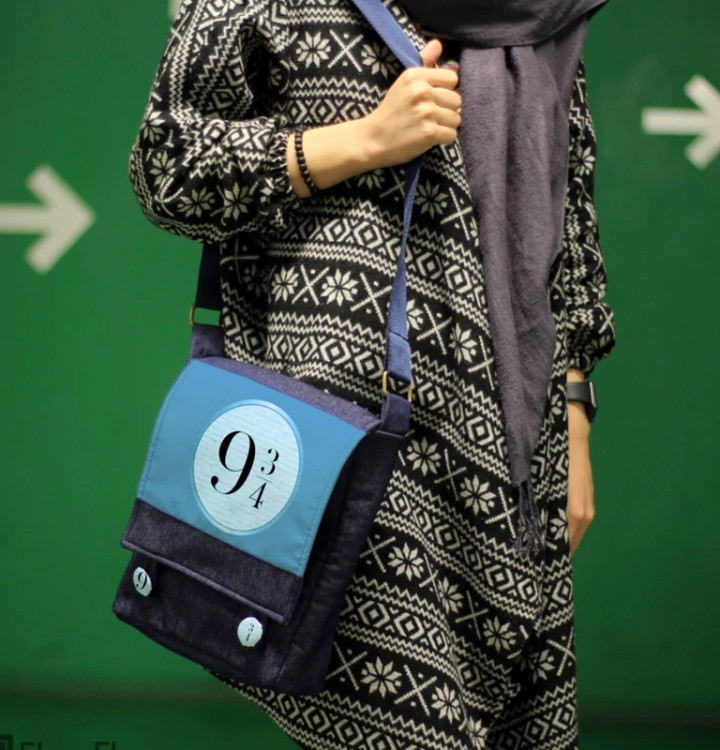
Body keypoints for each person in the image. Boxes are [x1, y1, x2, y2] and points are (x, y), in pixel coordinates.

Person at [129, 0, 615, 747]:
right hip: (352, 444)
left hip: (513, 457)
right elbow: (167, 166)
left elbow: (567, 207)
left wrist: (574, 415)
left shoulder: (542, 9)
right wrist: (362, 140)